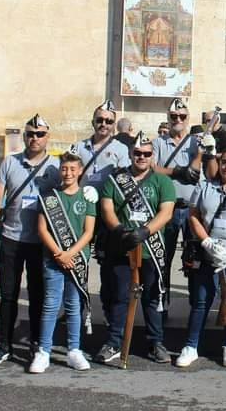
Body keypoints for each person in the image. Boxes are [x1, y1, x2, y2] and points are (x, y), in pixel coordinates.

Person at [0, 114, 61, 365]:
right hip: (11, 238)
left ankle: (37, 341)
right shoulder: (10, 163)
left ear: (47, 137)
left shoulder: (55, 167)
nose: (34, 138)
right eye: (30, 134)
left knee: (39, 294)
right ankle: (4, 343)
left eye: (39, 134)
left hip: (40, 241)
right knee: (8, 294)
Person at [94, 132, 176, 364]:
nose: (141, 157)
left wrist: (145, 231)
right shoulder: (114, 180)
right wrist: (120, 230)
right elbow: (107, 209)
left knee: (152, 297)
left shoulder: (163, 181)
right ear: (130, 154)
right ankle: (114, 342)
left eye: (146, 154)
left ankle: (156, 342)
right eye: (137, 153)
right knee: (120, 297)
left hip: (151, 247)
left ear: (153, 156)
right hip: (122, 247)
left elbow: (166, 211)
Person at [176, 145, 226, 368]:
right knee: (201, 301)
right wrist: (207, 242)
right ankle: (191, 345)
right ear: (219, 164)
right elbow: (193, 217)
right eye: (225, 162)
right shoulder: (204, 186)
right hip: (207, 253)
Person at [30, 148, 96, 373]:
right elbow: (42, 230)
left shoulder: (88, 197)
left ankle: (74, 350)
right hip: (53, 259)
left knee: (73, 305)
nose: (68, 173)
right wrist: (59, 254)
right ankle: (44, 352)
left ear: (79, 171)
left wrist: (71, 254)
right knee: (50, 304)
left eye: (72, 169)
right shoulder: (49, 198)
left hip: (77, 259)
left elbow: (89, 232)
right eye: (64, 168)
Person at [153, 98, 217, 315]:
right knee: (163, 257)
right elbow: (152, 169)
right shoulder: (159, 143)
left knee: (195, 258)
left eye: (181, 116)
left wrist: (210, 150)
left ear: (188, 118)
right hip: (167, 208)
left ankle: (196, 307)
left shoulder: (196, 142)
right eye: (173, 117)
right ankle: (162, 304)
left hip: (192, 209)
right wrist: (177, 172)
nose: (177, 120)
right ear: (168, 119)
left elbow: (212, 174)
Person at [74, 99, 130, 328]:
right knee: (78, 262)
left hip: (108, 214)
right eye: (100, 120)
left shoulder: (121, 150)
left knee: (108, 267)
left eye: (109, 121)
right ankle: (75, 309)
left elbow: (126, 182)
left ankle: (108, 311)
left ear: (114, 125)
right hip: (83, 212)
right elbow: (68, 177)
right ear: (93, 122)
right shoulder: (79, 147)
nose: (104, 124)